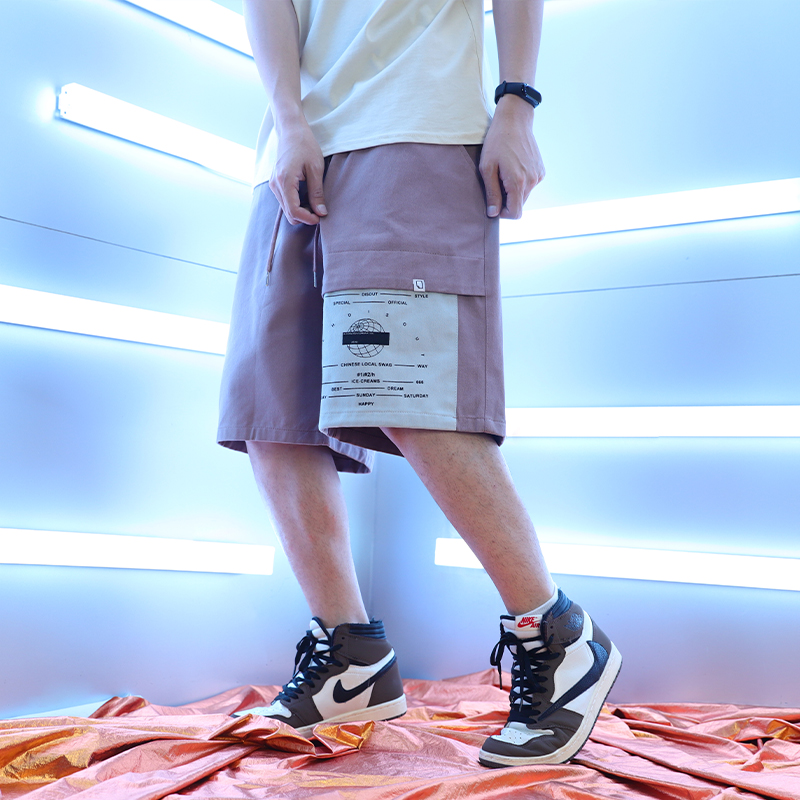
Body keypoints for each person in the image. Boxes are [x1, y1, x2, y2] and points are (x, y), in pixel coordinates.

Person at [217, 0, 621, 768]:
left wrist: (517, 102)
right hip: (293, 151)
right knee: (272, 415)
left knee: (410, 390)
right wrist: (289, 120)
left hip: (417, 126)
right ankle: (351, 656)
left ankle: (558, 634)